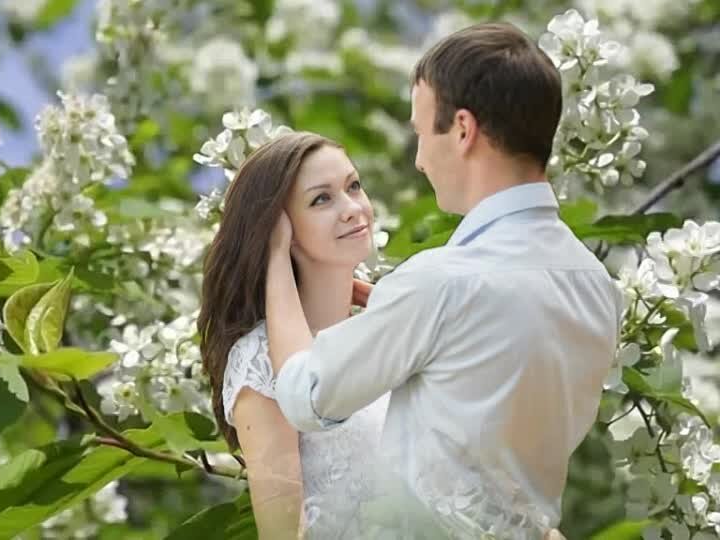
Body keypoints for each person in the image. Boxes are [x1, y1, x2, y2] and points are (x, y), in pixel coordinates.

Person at [265, 22, 622, 538]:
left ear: (461, 129)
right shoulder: (597, 287)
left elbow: (305, 396)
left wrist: (276, 258)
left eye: (420, 132)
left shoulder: (441, 283)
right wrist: (398, 315)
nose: (418, 159)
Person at [198, 131, 390, 539]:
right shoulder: (259, 360)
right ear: (278, 229)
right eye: (322, 199)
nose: (353, 208)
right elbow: (284, 533)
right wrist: (274, 259)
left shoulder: (390, 331)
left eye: (353, 186)